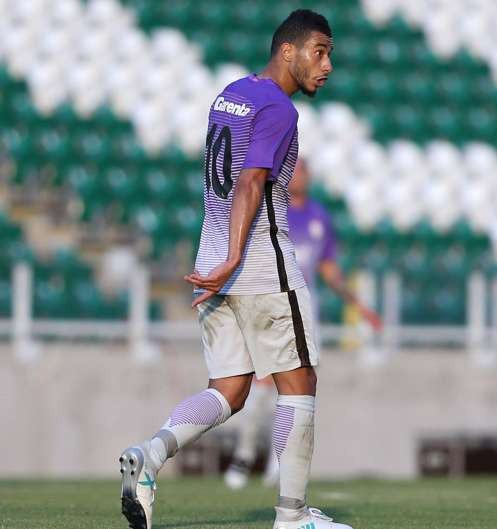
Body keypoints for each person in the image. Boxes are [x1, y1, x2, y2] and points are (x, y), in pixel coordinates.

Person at [118, 10, 353, 529]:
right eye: (320, 51)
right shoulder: (279, 109)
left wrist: (221, 258)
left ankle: (150, 456)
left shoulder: (231, 94)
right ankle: (293, 517)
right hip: (256, 260)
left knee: (230, 389)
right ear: (287, 51)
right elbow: (249, 181)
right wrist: (234, 256)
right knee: (299, 380)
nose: (327, 65)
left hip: (211, 255)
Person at [223, 158, 381, 490]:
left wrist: (359, 307)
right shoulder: (271, 210)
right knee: (260, 389)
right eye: (294, 170)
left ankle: (278, 463)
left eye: (304, 171)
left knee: (297, 391)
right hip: (271, 308)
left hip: (305, 313)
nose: (299, 176)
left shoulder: (319, 217)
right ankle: (244, 456)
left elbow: (328, 269)